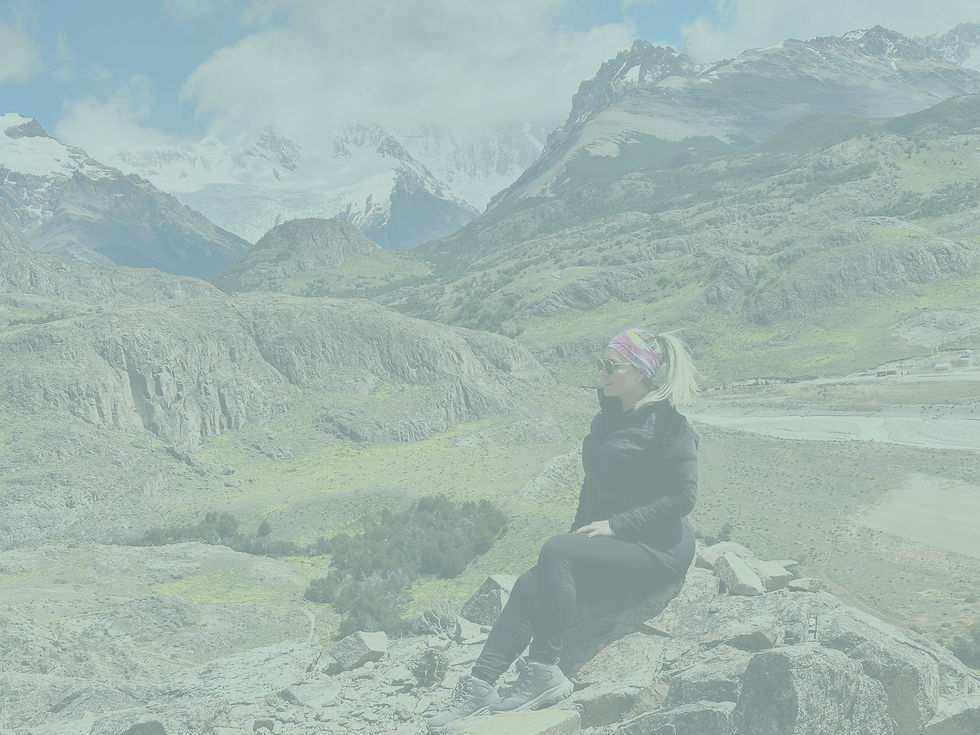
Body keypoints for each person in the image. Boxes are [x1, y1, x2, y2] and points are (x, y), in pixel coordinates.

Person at [426, 328, 701, 732]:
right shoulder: (606, 420)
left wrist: (615, 526)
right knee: (533, 581)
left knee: (557, 551)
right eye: (601, 364)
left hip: (659, 549)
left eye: (611, 366)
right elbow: (593, 490)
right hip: (618, 542)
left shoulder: (670, 426)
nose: (602, 372)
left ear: (640, 373)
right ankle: (479, 685)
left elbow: (682, 498)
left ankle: (544, 671)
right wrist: (576, 543)